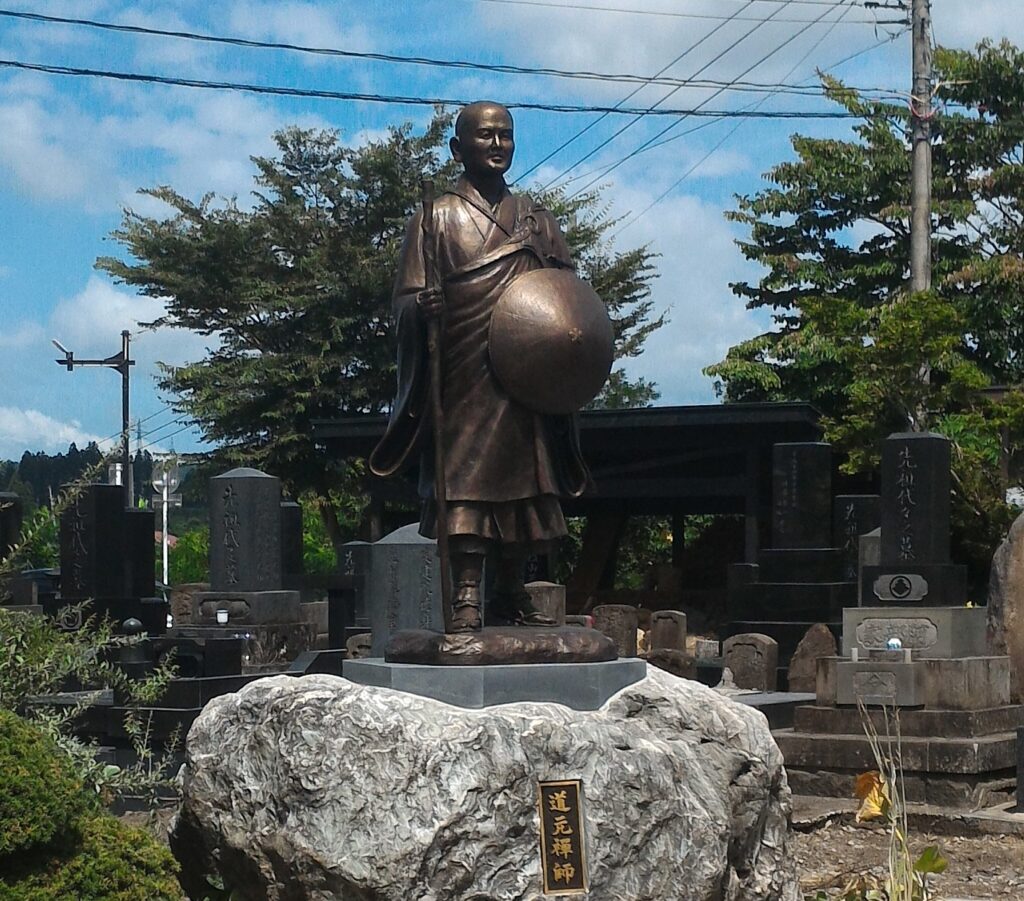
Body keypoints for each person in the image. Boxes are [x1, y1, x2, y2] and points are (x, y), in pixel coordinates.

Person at [369, 101, 590, 632]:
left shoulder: (537, 219)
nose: (496, 145)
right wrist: (419, 312)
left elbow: (565, 293)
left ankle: (512, 591)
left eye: (506, 136)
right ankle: (467, 592)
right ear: (457, 148)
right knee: (467, 485)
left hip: (525, 375)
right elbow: (402, 301)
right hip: (466, 372)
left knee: (527, 485)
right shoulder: (435, 219)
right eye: (485, 135)